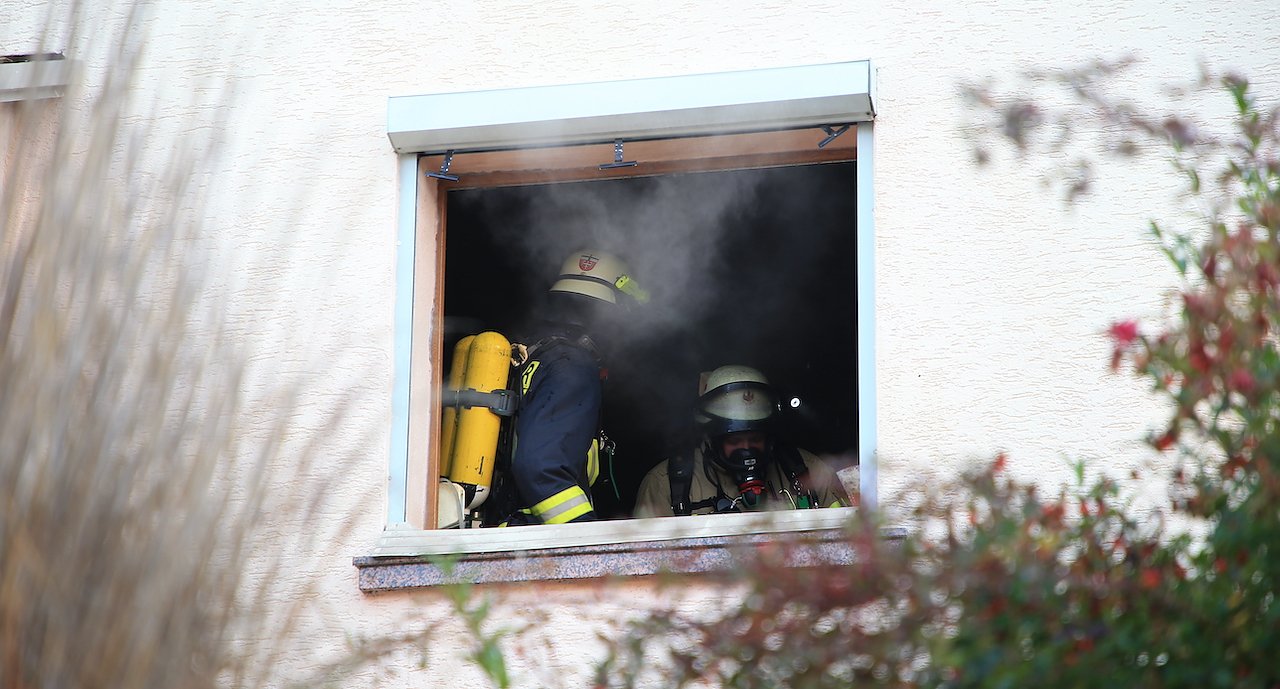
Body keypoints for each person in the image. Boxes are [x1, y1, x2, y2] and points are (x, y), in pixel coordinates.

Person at [487, 249, 647, 526]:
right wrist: (585, 539)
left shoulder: (536, 355)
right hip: (532, 540)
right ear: (611, 315)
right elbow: (541, 469)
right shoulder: (573, 366)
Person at [633, 364, 853, 517]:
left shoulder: (810, 472)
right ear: (710, 438)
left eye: (755, 438)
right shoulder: (667, 485)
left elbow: (846, 544)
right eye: (735, 440)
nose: (747, 449)